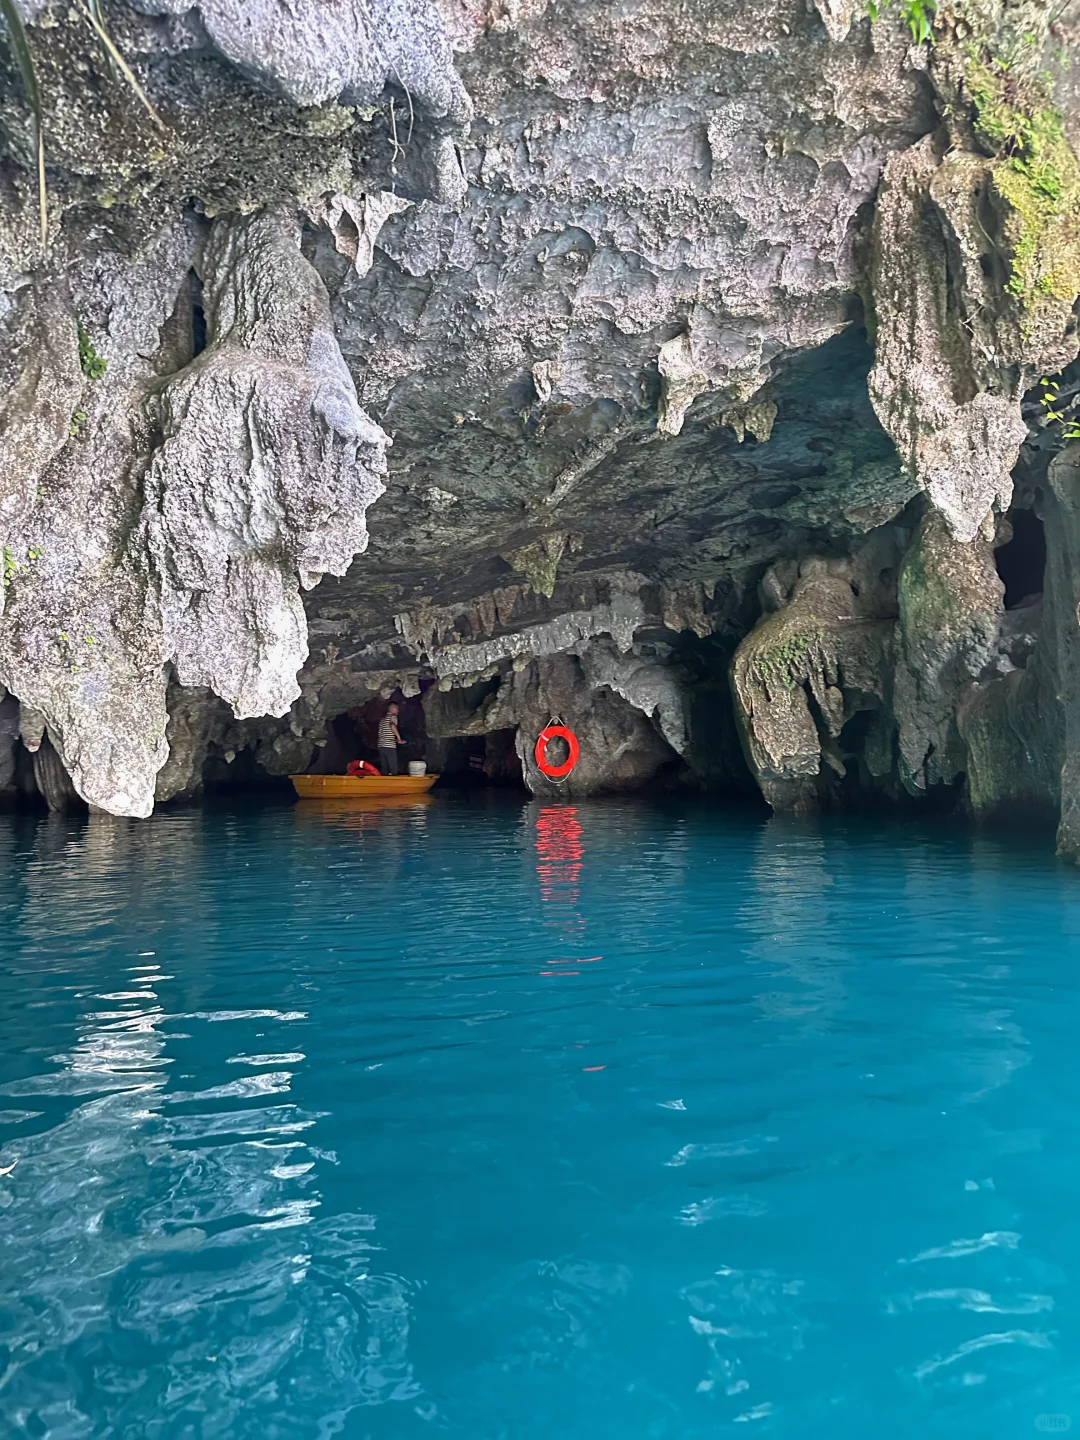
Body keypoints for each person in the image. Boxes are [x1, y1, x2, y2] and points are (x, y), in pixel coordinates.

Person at [377, 703, 403, 776]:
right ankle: (394, 779)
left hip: (381, 746)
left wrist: (395, 740)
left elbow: (382, 734)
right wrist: (399, 738)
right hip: (389, 746)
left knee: (384, 766)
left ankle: (385, 779)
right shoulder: (393, 717)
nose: (398, 711)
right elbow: (392, 725)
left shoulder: (382, 720)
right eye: (397, 709)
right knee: (393, 765)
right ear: (392, 709)